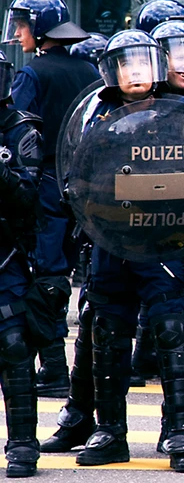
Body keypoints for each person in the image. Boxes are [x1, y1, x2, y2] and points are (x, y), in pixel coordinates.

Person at [67, 30, 184, 472]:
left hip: (162, 238)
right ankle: (110, 432)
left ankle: (181, 431)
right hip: (110, 237)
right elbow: (77, 171)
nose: (137, 71)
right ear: (114, 72)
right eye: (127, 64)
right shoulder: (97, 114)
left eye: (144, 61)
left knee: (170, 329)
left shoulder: (182, 113)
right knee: (108, 330)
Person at [4, 0, 99, 399]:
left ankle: (54, 366)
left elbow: (18, 129)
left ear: (40, 29)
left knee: (44, 275)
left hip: (43, 185)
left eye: (22, 25)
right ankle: (62, 367)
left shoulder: (32, 74)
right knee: (62, 274)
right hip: (81, 188)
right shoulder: (90, 71)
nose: (18, 33)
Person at [0, 49, 43, 478]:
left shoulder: (19, 129)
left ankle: (23, 445)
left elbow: (29, 198)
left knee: (13, 347)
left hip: (5, 255)